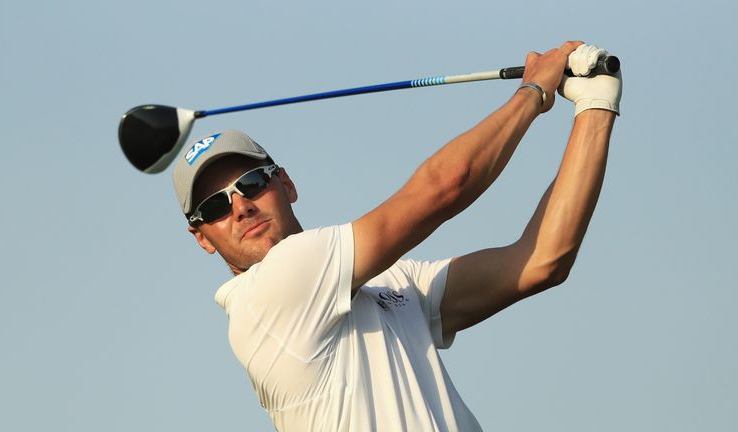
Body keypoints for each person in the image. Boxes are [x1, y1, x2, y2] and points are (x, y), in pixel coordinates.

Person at [171, 41, 621, 431]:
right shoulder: (270, 290)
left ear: (285, 184)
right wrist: (534, 91)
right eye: (215, 208)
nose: (241, 207)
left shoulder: (390, 284)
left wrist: (595, 107)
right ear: (202, 238)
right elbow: (445, 188)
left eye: (251, 183)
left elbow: (542, 261)